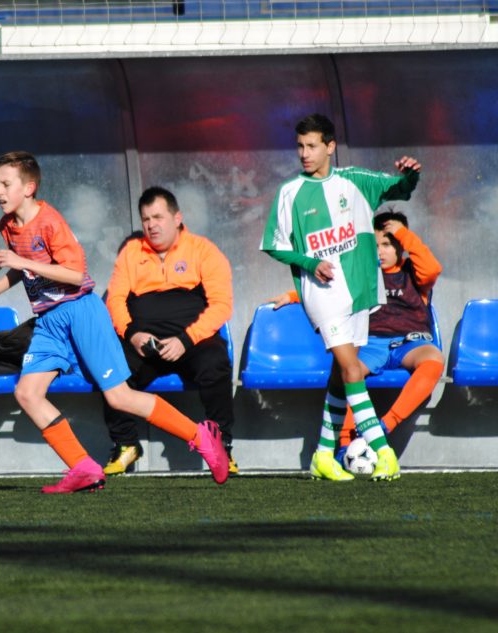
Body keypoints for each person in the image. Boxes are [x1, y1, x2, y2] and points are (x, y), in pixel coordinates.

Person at [0, 151, 230, 493]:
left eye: (6, 184)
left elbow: (74, 275)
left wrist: (20, 260)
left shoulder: (50, 222)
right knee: (27, 393)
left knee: (120, 397)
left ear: (28, 188)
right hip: (48, 321)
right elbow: (23, 267)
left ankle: (201, 435)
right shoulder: (7, 226)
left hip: (81, 312)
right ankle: (83, 468)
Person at [260, 113, 421, 482]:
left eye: (312, 145)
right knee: (351, 368)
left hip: (360, 289)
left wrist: (411, 173)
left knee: (339, 375)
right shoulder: (290, 193)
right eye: (300, 146)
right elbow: (274, 245)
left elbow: (401, 188)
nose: (304, 153)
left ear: (330, 147)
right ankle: (384, 452)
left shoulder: (355, 180)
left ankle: (322, 455)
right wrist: (309, 261)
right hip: (321, 293)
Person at [268, 209, 443, 458]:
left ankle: (386, 425)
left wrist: (403, 233)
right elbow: (328, 290)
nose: (380, 251)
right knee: (347, 370)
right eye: (374, 244)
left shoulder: (414, 274)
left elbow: (433, 269)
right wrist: (293, 296)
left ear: (401, 246)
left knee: (434, 359)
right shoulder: (361, 274)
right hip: (370, 343)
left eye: (387, 244)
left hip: (409, 343)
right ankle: (344, 442)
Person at [102, 186, 236, 476]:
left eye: (158, 217)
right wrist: (131, 334)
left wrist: (186, 340)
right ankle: (125, 444)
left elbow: (222, 305)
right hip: (143, 344)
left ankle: (221, 445)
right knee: (110, 365)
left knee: (216, 362)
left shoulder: (203, 250)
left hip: (191, 342)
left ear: (177, 218)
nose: (151, 225)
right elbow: (114, 299)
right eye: (146, 218)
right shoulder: (130, 253)